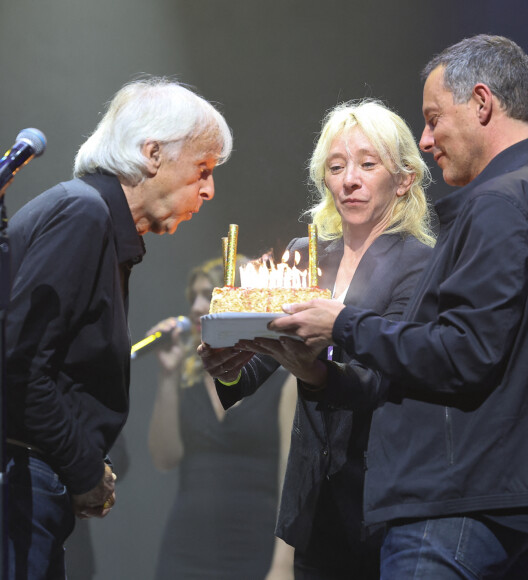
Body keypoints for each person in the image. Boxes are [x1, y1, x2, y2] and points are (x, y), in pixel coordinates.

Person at [266, 35, 528, 579]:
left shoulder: (500, 201)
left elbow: (463, 353)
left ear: (482, 103)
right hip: (503, 497)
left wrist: (342, 322)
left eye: (434, 119)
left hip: (454, 503)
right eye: (336, 167)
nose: (428, 139)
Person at [4, 76, 232, 579]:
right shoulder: (82, 215)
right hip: (21, 483)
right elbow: (21, 367)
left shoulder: (90, 219)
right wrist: (84, 469)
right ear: (152, 154)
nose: (210, 189)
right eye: (203, 169)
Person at [200, 100, 435, 578]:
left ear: (405, 178)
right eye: (336, 166)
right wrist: (228, 362)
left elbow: (383, 381)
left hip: (384, 504)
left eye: (368, 164)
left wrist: (315, 373)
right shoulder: (305, 255)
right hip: (314, 504)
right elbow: (257, 364)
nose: (350, 179)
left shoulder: (421, 263)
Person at [146, 257, 297, 580]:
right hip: (185, 552)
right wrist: (167, 376)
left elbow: (292, 481)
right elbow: (164, 457)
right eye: (194, 297)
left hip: (253, 552)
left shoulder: (282, 380)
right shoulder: (189, 378)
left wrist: (283, 565)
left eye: (209, 295)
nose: (198, 307)